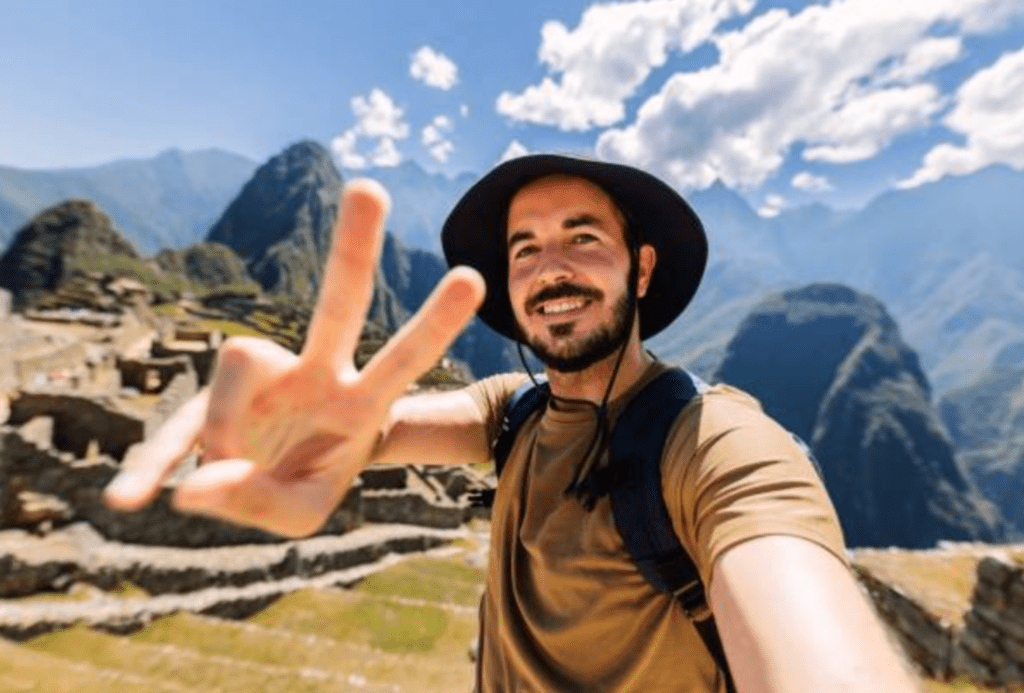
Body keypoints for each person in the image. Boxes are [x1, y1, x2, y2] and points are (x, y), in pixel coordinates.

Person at [105, 154, 922, 693]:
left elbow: (816, 649)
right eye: (524, 249)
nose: (550, 267)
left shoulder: (717, 444)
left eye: (583, 237)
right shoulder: (515, 409)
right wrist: (318, 435)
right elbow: (382, 431)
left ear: (641, 266)